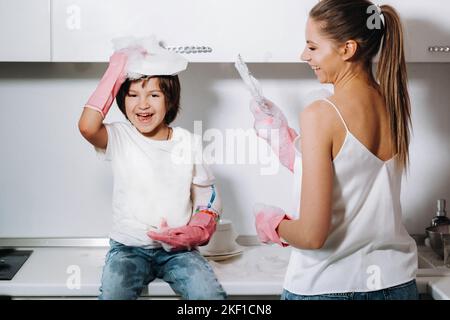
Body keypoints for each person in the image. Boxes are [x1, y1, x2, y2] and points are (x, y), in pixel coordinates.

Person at [251, 0, 418, 300]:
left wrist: (273, 225)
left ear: (347, 49)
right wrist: (285, 139)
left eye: (313, 47)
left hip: (328, 287)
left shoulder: (321, 114)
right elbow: (351, 170)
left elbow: (312, 236)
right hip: (397, 284)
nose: (304, 56)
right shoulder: (393, 106)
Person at [78, 36, 227, 300]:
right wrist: (117, 70)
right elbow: (88, 127)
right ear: (121, 99)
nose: (142, 104)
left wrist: (197, 230)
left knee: (209, 297)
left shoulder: (188, 143)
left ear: (170, 100)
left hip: (179, 252)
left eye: (154, 95)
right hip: (128, 249)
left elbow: (208, 198)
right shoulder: (121, 137)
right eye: (133, 95)